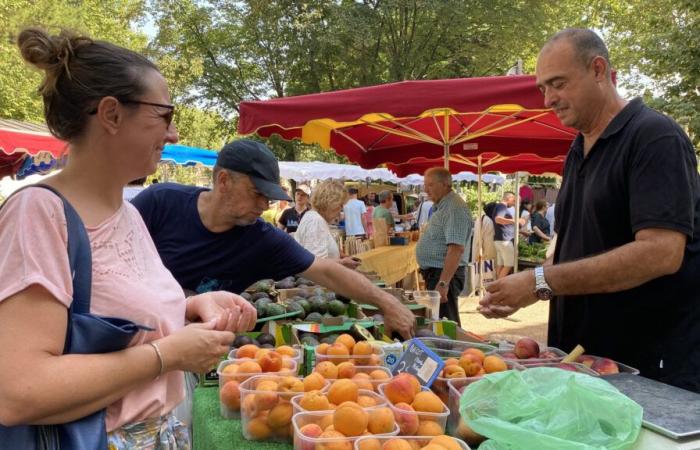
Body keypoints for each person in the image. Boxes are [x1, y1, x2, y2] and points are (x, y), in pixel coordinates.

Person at [0, 28, 255, 446]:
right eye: (165, 116)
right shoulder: (39, 214)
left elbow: (102, 312)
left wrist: (189, 308)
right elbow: (19, 392)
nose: (172, 135)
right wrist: (167, 355)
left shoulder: (128, 214)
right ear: (112, 114)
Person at [479, 28, 700, 392]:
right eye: (542, 88)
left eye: (558, 84)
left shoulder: (654, 136)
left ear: (598, 70)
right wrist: (525, 290)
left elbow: (662, 252)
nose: (548, 99)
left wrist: (539, 283)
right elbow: (578, 244)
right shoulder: (578, 149)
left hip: (645, 371)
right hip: (587, 363)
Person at [132, 139, 415, 339]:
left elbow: (326, 271)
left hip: (199, 350)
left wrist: (388, 303)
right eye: (257, 193)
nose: (265, 205)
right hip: (134, 340)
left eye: (268, 196)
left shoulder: (262, 238)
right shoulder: (160, 203)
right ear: (223, 181)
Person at [416, 168, 472, 325]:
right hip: (439, 274)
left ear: (445, 184)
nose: (426, 190)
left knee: (446, 324)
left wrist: (443, 283)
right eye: (425, 185)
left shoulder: (454, 208)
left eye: (431, 185)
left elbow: (456, 249)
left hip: (444, 275)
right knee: (440, 323)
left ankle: (453, 349)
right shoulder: (445, 206)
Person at [296, 180, 361, 269]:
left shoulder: (314, 217)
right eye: (340, 205)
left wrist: (338, 255)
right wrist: (342, 262)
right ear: (331, 202)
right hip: (314, 282)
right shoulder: (316, 220)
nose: (341, 210)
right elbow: (315, 263)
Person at [492, 191, 516, 279]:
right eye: (513, 200)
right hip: (505, 240)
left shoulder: (499, 206)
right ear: (508, 198)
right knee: (509, 264)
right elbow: (498, 219)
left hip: (499, 240)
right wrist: (514, 221)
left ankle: (496, 286)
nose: (514, 203)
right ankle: (498, 285)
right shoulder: (502, 206)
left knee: (500, 264)